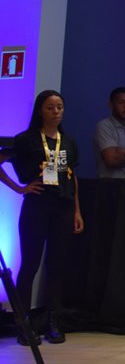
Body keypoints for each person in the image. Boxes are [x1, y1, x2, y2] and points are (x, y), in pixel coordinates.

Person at [0, 90, 84, 345]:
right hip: (37, 206)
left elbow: (71, 176)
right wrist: (20, 188)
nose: (56, 112)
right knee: (30, 265)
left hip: (63, 208)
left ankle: (53, 321)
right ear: (40, 110)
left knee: (56, 267)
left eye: (60, 107)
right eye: (50, 107)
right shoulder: (26, 140)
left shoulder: (67, 141)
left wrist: (77, 211)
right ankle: (23, 323)